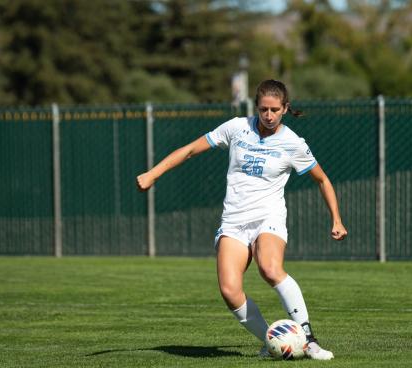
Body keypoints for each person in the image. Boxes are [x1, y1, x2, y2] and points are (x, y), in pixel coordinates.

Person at [136, 79, 347, 360]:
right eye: (263, 109)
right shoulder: (236, 128)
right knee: (229, 290)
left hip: (268, 217)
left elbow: (322, 180)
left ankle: (308, 340)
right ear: (256, 107)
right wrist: (153, 174)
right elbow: (189, 150)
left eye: (274, 109)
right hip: (234, 221)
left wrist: (336, 219)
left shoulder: (292, 143)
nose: (268, 115)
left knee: (270, 268)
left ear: (285, 108)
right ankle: (275, 342)